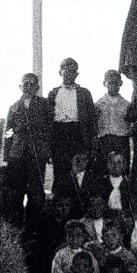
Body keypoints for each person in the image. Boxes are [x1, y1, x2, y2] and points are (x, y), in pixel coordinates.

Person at [3, 73, 53, 228]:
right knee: (16, 192)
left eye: (33, 84)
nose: (29, 87)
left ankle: (33, 227)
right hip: (17, 154)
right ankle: (16, 226)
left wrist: (48, 149)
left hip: (37, 153)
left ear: (37, 88)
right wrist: (7, 153)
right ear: (20, 86)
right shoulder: (14, 107)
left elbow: (51, 129)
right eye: (26, 84)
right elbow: (8, 132)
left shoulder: (44, 105)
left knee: (36, 192)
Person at [49, 58, 98, 198]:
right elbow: (49, 120)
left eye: (73, 72)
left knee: (79, 171)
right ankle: (60, 210)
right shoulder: (53, 93)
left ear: (77, 74)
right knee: (60, 172)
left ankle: (79, 207)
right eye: (66, 71)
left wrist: (91, 141)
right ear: (60, 72)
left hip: (78, 133)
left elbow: (92, 119)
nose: (69, 74)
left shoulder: (84, 93)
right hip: (59, 134)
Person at [95, 70, 131, 177]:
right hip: (104, 141)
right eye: (110, 83)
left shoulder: (126, 104)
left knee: (121, 172)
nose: (113, 86)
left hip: (121, 140)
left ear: (120, 83)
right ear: (104, 83)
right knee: (103, 171)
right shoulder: (99, 103)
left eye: (116, 83)